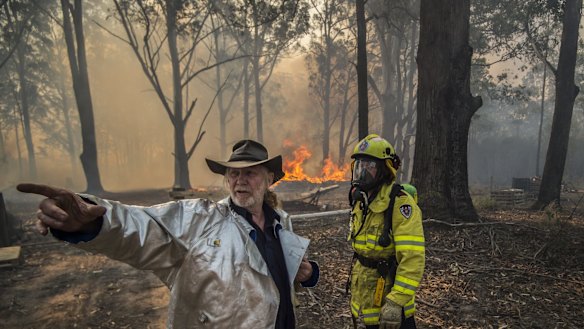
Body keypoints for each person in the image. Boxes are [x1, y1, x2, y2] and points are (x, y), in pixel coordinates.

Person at [17, 139, 320, 329]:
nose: (240, 180)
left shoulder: (282, 222)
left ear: (268, 179)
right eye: (233, 173)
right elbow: (142, 226)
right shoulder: (200, 219)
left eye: (250, 172)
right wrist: (91, 221)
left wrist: (307, 274)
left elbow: (279, 281)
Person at [346, 134, 425, 329]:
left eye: (369, 166)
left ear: (384, 170)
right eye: (359, 166)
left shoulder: (399, 204)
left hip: (391, 312)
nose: (362, 172)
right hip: (365, 304)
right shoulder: (361, 201)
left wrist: (395, 302)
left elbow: (413, 258)